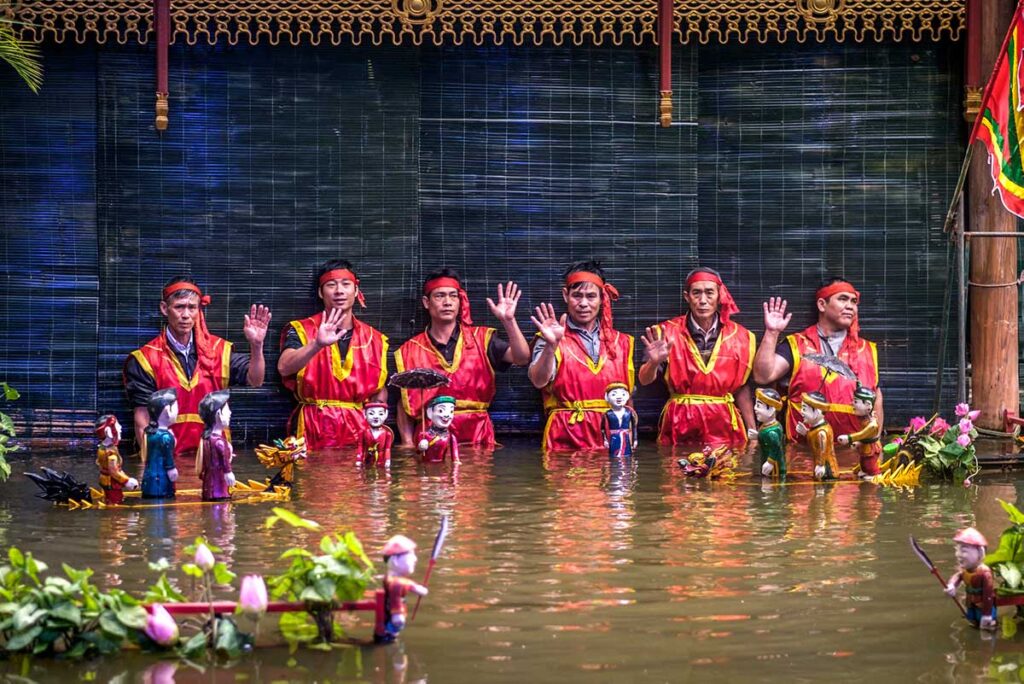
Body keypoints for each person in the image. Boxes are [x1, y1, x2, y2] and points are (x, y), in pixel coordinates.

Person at [124, 275, 271, 458]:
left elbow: (255, 380)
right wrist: (155, 464)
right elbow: (142, 419)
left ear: (199, 310)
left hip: (214, 456)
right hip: (168, 455)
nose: (186, 315)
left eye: (192, 307)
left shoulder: (219, 350)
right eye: (179, 307)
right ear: (164, 308)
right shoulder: (145, 359)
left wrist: (256, 346)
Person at [394, 269, 530, 447]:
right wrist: (407, 444)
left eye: (453, 296)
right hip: (430, 439)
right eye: (440, 296)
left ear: (460, 301)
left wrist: (508, 321)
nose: (447, 302)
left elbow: (522, 358)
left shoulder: (481, 339)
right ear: (426, 302)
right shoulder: (409, 350)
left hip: (477, 437)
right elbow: (404, 403)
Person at [752, 278, 882, 441]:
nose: (850, 306)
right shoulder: (797, 344)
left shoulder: (867, 349)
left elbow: (876, 396)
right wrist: (772, 332)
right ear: (822, 305)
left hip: (854, 451)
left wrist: (874, 443)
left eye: (854, 301)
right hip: (803, 451)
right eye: (842, 299)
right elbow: (763, 376)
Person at [278, 260, 389, 450]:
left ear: (356, 290)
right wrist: (317, 344)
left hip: (359, 426)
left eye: (346, 284)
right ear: (321, 292)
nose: (339, 291)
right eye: (331, 285)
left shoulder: (376, 338)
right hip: (313, 423)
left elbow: (379, 390)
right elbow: (284, 367)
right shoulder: (301, 329)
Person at [638, 268, 755, 446]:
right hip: (680, 421)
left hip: (723, 423)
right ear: (687, 297)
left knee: (728, 471)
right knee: (676, 470)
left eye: (709, 293)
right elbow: (644, 380)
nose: (702, 301)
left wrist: (752, 431)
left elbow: (742, 388)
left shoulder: (742, 336)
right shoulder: (665, 332)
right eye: (696, 293)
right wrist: (654, 362)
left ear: (720, 295)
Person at [528, 260, 634, 452]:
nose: (583, 303)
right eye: (577, 296)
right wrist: (551, 346)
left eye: (591, 296)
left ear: (603, 298)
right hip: (566, 437)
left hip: (612, 436)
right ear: (565, 295)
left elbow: (629, 399)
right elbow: (538, 381)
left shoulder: (623, 342)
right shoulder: (550, 337)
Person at [377, 535, 429, 644]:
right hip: (394, 615)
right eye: (411, 556)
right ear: (396, 561)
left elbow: (408, 585)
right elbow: (397, 599)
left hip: (389, 611)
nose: (415, 559)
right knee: (394, 629)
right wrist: (398, 616)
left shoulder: (391, 578)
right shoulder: (396, 583)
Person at [945, 527, 997, 631]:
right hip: (970, 603)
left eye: (963, 551)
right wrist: (951, 586)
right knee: (972, 622)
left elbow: (988, 595)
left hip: (983, 606)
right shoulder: (965, 570)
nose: (958, 555)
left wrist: (986, 615)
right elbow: (957, 577)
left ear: (980, 552)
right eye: (957, 550)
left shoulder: (984, 573)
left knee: (987, 627)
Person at [196, 389, 236, 501]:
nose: (230, 413)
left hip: (209, 483)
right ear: (219, 414)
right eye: (227, 410)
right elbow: (224, 461)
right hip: (219, 485)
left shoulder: (206, 438)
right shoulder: (219, 441)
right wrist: (228, 472)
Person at [141, 389, 179, 499]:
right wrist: (171, 468)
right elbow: (168, 456)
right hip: (161, 480)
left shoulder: (149, 433)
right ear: (167, 411)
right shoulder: (165, 436)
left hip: (149, 478)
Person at [836, 386, 882, 477]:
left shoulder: (872, 424)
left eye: (856, 401)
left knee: (870, 464)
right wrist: (858, 443)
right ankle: (865, 471)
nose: (851, 403)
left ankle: (875, 475)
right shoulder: (863, 420)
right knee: (863, 462)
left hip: (871, 448)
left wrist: (849, 438)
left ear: (868, 406)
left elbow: (863, 434)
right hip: (865, 447)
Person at [94, 414, 138, 504]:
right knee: (116, 500)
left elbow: (99, 463)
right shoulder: (111, 453)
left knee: (110, 497)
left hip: (104, 479)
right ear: (108, 432)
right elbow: (113, 472)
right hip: (112, 483)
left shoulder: (102, 448)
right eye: (117, 426)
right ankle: (115, 515)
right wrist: (127, 481)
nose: (120, 428)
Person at [754, 388, 786, 479]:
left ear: (771, 410)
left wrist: (770, 462)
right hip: (766, 461)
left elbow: (775, 447)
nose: (755, 408)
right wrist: (757, 436)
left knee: (772, 484)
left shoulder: (772, 431)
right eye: (756, 404)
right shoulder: (767, 426)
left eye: (759, 406)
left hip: (774, 467)